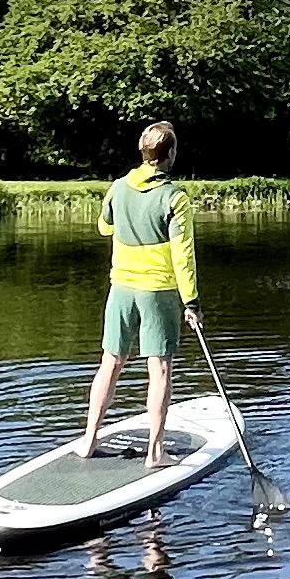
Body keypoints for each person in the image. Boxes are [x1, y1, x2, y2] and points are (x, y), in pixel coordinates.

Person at [74, 119, 201, 460]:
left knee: (110, 363)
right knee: (159, 369)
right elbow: (183, 255)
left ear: (143, 152)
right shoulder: (176, 198)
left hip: (121, 289)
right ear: (171, 153)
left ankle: (88, 440)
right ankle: (155, 451)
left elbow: (104, 227)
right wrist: (192, 303)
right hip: (157, 292)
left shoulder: (118, 187)